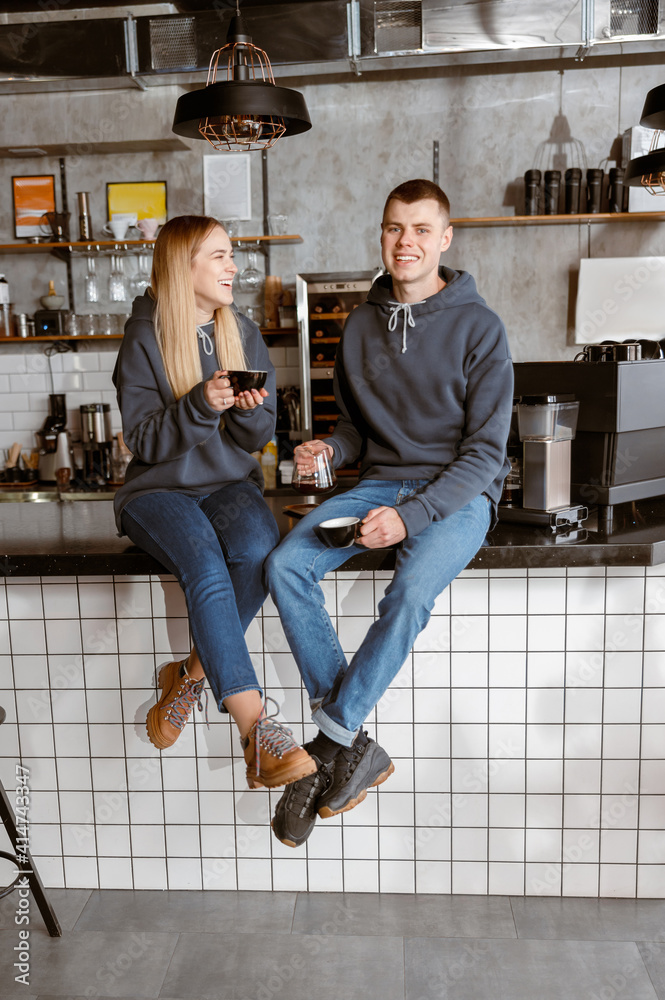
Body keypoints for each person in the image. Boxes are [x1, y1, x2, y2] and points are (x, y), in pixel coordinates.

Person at [266, 179, 514, 847]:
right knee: (286, 564)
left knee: (406, 593)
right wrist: (329, 446)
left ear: (445, 238)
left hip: (457, 493)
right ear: (381, 233)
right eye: (393, 228)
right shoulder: (358, 324)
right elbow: (354, 430)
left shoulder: (480, 328)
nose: (405, 242)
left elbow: (485, 455)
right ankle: (352, 744)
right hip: (380, 483)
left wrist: (412, 518)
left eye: (420, 229)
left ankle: (329, 745)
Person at [112, 215, 315, 790]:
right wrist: (201, 403)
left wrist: (248, 410)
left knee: (258, 553)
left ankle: (191, 675)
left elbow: (257, 436)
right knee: (203, 561)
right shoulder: (145, 336)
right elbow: (145, 439)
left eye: (233, 255)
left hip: (228, 486)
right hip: (158, 490)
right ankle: (258, 732)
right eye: (220, 256)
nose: (234, 267)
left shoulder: (241, 329)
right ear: (184, 266)